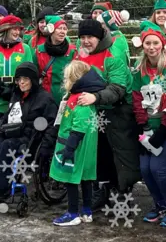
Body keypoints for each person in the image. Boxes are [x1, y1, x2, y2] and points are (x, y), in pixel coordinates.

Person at [76, 20, 140, 209]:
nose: (86, 41)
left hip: (118, 109)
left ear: (99, 37)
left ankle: (123, 188)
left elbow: (118, 88)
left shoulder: (112, 56)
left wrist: (95, 97)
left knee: (121, 151)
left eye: (90, 37)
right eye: (83, 37)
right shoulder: (80, 56)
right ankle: (101, 188)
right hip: (94, 110)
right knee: (98, 151)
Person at [0, 62, 57, 201]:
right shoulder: (16, 95)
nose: (21, 83)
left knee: (6, 145)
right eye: (19, 80)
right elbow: (6, 117)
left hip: (31, 139)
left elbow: (52, 125)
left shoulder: (45, 99)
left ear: (33, 80)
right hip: (12, 133)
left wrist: (46, 146)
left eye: (25, 79)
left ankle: (0, 187)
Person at [131, 21, 166, 226]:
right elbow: (136, 99)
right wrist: (142, 125)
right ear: (142, 45)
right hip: (147, 127)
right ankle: (159, 205)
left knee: (159, 169)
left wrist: (164, 127)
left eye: (155, 43)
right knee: (145, 169)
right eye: (147, 43)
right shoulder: (139, 69)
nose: (151, 47)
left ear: (162, 44)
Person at [50, 60, 105, 226]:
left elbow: (79, 127)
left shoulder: (79, 101)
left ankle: (72, 213)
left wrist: (69, 148)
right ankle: (87, 211)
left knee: (71, 179)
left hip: (76, 149)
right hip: (87, 150)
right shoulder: (84, 98)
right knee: (86, 179)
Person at [0, 15, 33, 130]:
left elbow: (29, 73)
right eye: (14, 28)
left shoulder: (25, 48)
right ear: (5, 29)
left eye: (19, 29)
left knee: (13, 136)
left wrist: (16, 90)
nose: (17, 32)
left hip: (17, 98)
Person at [34, 15, 77, 105]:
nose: (62, 32)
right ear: (51, 30)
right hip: (45, 99)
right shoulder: (39, 51)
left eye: (65, 29)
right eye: (59, 28)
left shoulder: (73, 51)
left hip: (66, 99)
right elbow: (34, 76)